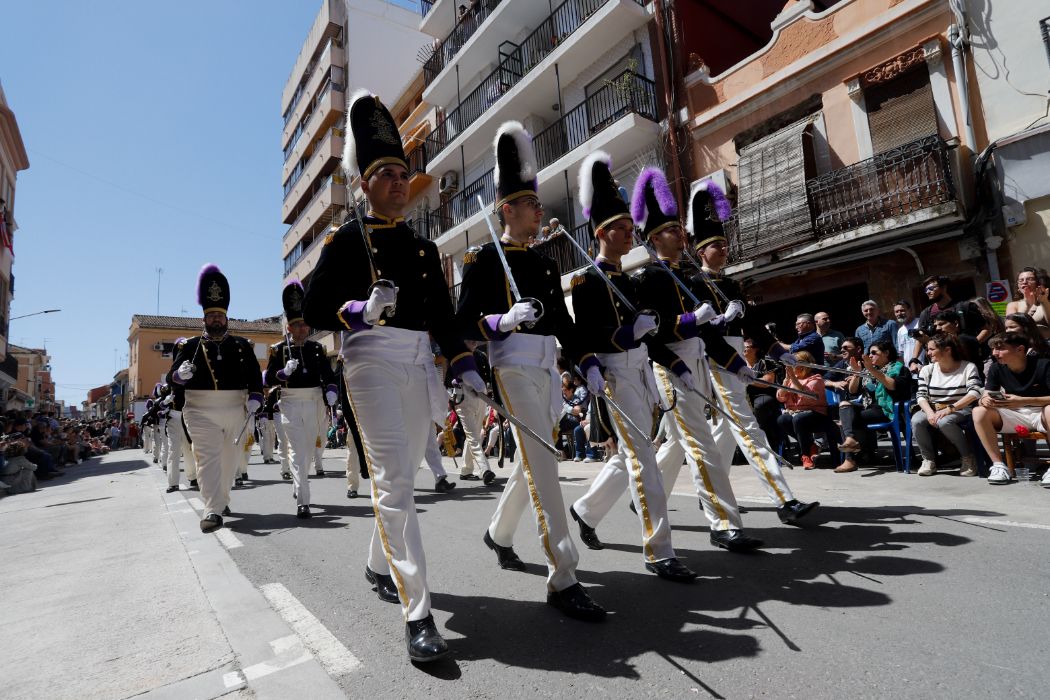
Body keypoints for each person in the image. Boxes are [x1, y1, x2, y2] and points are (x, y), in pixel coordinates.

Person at [303, 89, 482, 661]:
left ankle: (378, 562)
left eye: (404, 172)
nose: (400, 181)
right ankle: (418, 613)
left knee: (400, 474)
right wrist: (357, 311)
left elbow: (443, 321)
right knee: (393, 479)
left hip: (414, 361)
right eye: (385, 172)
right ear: (364, 183)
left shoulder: (426, 251)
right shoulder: (348, 239)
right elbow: (312, 307)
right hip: (369, 360)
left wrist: (464, 363)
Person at [454, 122, 608, 619]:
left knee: (533, 460)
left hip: (546, 368)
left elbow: (564, 321)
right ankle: (564, 575)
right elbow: (462, 325)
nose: (541, 213)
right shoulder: (482, 261)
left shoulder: (543, 265)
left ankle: (498, 532)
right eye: (533, 205)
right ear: (508, 209)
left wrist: (586, 362)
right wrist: (501, 320)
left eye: (540, 206)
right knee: (545, 464)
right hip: (512, 368)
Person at [568, 159, 703, 579]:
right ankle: (659, 549)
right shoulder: (587, 282)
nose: (630, 234)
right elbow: (587, 337)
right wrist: (626, 335)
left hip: (643, 371)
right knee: (644, 459)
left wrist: (674, 363)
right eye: (622, 228)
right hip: (614, 375)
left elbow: (653, 337)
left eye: (631, 227)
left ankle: (586, 509)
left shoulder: (629, 281)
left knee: (632, 454)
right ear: (601, 232)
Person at [632, 169, 764, 552]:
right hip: (672, 368)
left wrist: (736, 364)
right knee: (700, 444)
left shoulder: (689, 277)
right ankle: (723, 523)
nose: (681, 235)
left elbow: (707, 333)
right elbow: (652, 336)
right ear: (656, 238)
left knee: (677, 444)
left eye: (679, 228)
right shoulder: (648, 278)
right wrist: (679, 362)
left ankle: (590, 508)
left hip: (700, 364)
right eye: (672, 229)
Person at [688, 193, 817, 525]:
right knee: (741, 427)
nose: (725, 250)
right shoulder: (692, 283)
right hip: (710, 354)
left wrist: (781, 353)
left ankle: (720, 493)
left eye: (725, 244)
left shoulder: (731, 283)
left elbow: (754, 326)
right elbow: (700, 329)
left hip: (730, 352)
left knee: (731, 429)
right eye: (717, 245)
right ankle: (783, 500)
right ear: (702, 251)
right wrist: (722, 331)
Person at [169, 264, 264, 532]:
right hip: (199, 409)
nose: (216, 320)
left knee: (229, 461)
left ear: (227, 318)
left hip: (236, 407)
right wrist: (180, 375)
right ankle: (211, 509)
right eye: (211, 316)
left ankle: (220, 499)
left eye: (220, 316)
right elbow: (171, 378)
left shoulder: (242, 346)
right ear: (203, 319)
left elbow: (255, 376)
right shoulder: (188, 347)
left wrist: (257, 396)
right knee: (208, 458)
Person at [265, 281, 339, 519]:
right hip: (290, 401)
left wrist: (331, 390)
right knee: (297, 452)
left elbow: (329, 375)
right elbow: (268, 380)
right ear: (289, 327)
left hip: (316, 401)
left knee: (308, 450)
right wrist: (283, 373)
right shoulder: (278, 350)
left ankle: (299, 485)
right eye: (297, 325)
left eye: (305, 324)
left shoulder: (317, 349)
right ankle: (303, 502)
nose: (302, 329)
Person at [972, 332, 1050, 486]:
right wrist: (985, 400)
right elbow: (985, 396)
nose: (995, 353)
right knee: (978, 411)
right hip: (1014, 414)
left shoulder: (1044, 365)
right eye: (993, 349)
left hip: (1041, 412)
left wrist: (1022, 401)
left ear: (1020, 349)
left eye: (1000, 348)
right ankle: (999, 466)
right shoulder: (996, 368)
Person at [911, 334, 982, 477]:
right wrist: (930, 413)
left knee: (945, 421)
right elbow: (921, 395)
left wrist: (951, 408)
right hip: (934, 408)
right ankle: (928, 460)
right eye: (927, 349)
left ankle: (967, 457)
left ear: (947, 350)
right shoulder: (927, 370)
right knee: (917, 420)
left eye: (931, 349)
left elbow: (975, 392)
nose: (928, 353)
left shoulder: (968, 367)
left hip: (961, 408)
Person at [834, 341, 909, 473]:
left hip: (886, 409)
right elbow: (852, 391)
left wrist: (871, 370)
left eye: (874, 353)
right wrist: (857, 373)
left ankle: (849, 459)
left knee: (847, 420)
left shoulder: (897, 368)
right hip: (867, 408)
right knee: (844, 405)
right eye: (869, 353)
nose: (870, 356)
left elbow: (892, 385)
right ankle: (851, 441)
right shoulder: (868, 371)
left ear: (886, 353)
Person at [775, 352, 830, 470]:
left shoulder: (816, 378)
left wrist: (793, 379)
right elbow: (780, 397)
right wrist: (786, 379)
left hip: (815, 413)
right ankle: (811, 445)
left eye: (793, 363)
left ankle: (805, 455)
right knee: (782, 420)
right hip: (795, 413)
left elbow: (807, 395)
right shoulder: (790, 380)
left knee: (798, 419)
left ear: (803, 365)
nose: (791, 366)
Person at [1005, 267, 1050, 338]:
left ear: (1039, 282)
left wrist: (1044, 302)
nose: (1024, 282)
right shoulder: (1013, 305)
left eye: (1030, 279)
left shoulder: (1047, 301)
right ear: (1018, 286)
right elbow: (1012, 326)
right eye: (1021, 280)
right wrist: (1028, 304)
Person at [893, 300, 920, 376]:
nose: (899, 313)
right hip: (909, 371)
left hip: (922, 368)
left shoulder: (919, 323)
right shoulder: (900, 331)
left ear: (910, 310)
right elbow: (901, 353)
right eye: (896, 311)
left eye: (902, 310)